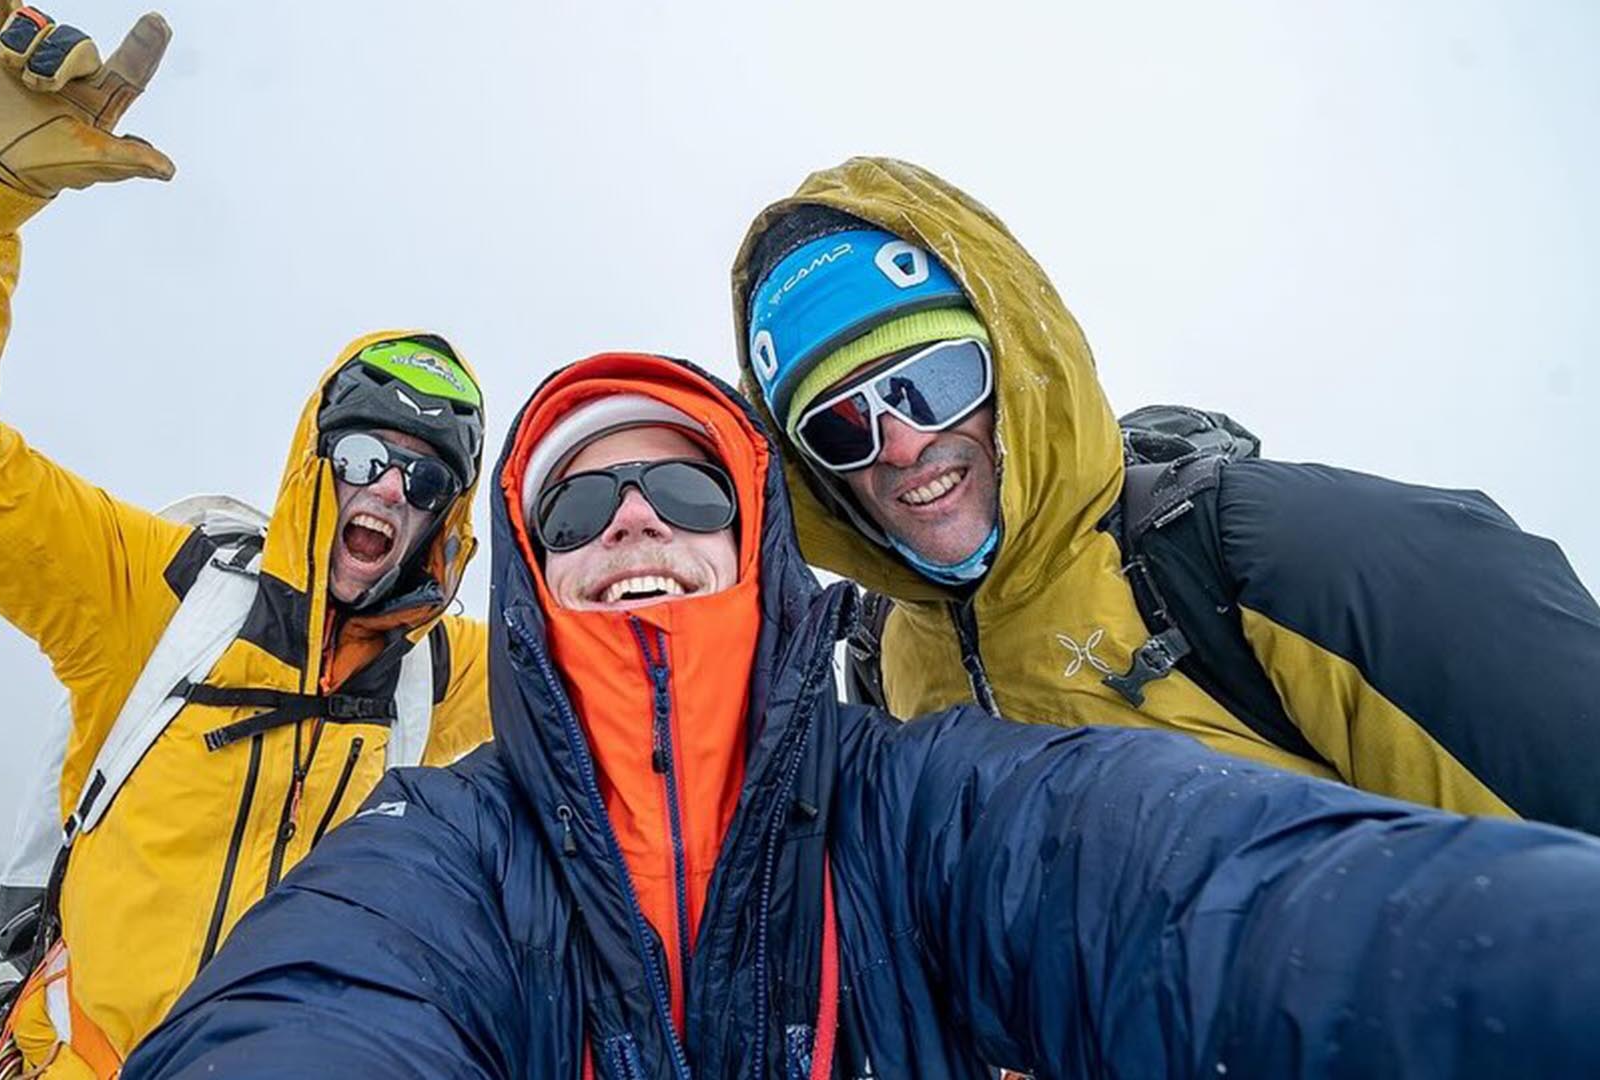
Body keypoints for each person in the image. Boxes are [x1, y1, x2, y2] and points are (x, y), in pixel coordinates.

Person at [121, 351, 1600, 1079]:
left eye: (689, 489)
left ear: (757, 542)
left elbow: (1208, 897)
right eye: (579, 503)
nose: (635, 520)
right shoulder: (449, 846)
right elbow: (323, 1006)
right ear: (535, 570)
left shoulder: (922, 808)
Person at [0, 4, 490, 1075]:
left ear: (446, 518)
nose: (388, 491)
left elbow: (641, 675)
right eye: (363, 456)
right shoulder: (156, 599)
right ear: (317, 465)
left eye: (424, 478)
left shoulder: (446, 678)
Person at [731, 157, 1600, 834]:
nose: (903, 443)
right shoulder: (887, 669)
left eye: (935, 380)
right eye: (840, 427)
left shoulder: (1304, 557)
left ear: (1020, 367)